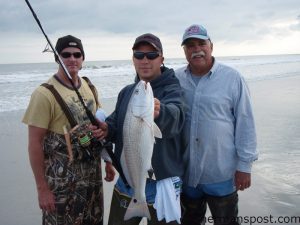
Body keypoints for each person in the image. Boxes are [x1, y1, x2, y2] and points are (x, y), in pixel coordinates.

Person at [22, 35, 115, 225]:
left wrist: (108, 161)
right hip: (62, 185)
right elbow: (34, 144)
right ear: (57, 58)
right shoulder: (43, 94)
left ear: (82, 59)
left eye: (77, 54)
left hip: (92, 179)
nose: (72, 59)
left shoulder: (89, 87)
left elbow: (100, 126)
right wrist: (42, 189)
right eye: (65, 54)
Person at [97, 33, 186, 225]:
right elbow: (116, 122)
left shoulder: (173, 88)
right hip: (129, 179)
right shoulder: (128, 91)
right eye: (139, 55)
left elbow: (177, 117)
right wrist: (106, 129)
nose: (145, 60)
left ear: (161, 58)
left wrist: (160, 112)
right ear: (133, 59)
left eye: (151, 55)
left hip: (162, 183)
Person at [175, 24, 258, 225]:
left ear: (211, 46)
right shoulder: (176, 79)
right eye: (190, 45)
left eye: (201, 43)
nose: (196, 49)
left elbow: (245, 121)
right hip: (187, 175)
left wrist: (245, 165)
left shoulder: (232, 78)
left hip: (221, 173)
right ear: (185, 51)